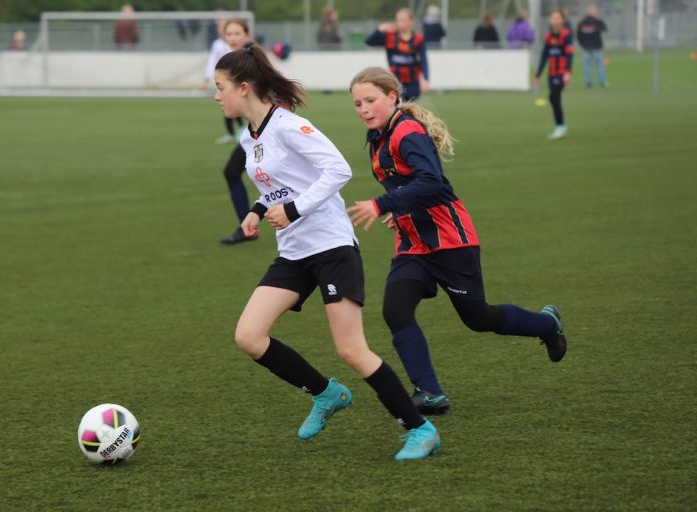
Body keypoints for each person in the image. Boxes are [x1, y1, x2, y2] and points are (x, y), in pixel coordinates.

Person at [214, 45, 440, 461]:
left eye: (220, 87)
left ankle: (420, 429)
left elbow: (338, 169)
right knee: (249, 336)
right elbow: (280, 184)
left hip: (332, 246)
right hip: (295, 251)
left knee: (351, 349)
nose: (216, 96)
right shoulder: (250, 137)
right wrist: (258, 208)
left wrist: (294, 209)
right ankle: (326, 393)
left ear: (243, 88)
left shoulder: (287, 125)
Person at [347, 67, 567, 414]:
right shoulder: (377, 136)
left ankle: (547, 324)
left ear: (392, 96)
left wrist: (382, 204)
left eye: (370, 100)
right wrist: (397, 210)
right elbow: (406, 186)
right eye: (357, 103)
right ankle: (430, 392)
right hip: (414, 244)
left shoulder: (407, 132)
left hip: (450, 240)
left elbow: (433, 182)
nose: (363, 108)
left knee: (478, 318)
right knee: (395, 309)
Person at [217, 18, 256, 245]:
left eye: (237, 33)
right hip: (254, 128)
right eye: (228, 33)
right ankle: (246, 227)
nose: (232, 38)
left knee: (233, 172)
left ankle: (247, 227)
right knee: (232, 172)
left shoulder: (251, 56)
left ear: (246, 34)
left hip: (266, 128)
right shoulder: (236, 59)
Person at [365, 8, 430, 101]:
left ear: (411, 21)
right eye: (398, 20)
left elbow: (424, 60)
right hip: (395, 82)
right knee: (397, 109)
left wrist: (426, 79)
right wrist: (380, 29)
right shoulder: (390, 37)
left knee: (410, 110)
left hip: (413, 83)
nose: (400, 23)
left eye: (403, 20)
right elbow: (369, 42)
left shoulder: (418, 39)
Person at [203, 18, 244, 144]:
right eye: (220, 27)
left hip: (237, 80)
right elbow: (212, 61)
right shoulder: (217, 44)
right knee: (227, 106)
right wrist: (207, 79)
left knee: (236, 105)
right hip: (224, 82)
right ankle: (233, 133)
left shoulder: (238, 43)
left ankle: (242, 130)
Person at [534, 10, 574, 140]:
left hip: (562, 73)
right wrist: (538, 74)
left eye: (558, 18)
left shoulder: (566, 35)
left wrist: (568, 72)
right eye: (553, 18)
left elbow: (569, 54)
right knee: (554, 99)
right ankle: (560, 127)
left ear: (562, 20)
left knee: (553, 96)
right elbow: (544, 55)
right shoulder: (548, 36)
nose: (555, 20)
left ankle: (560, 127)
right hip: (551, 73)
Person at [576, 5, 607, 88]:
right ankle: (601, 82)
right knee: (599, 65)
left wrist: (582, 44)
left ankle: (589, 82)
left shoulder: (582, 22)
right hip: (596, 47)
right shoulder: (597, 21)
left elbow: (578, 36)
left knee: (587, 65)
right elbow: (604, 28)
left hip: (587, 47)